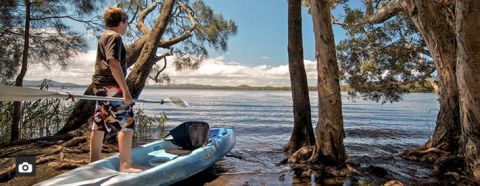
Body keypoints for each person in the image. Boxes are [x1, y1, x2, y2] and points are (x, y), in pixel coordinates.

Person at [89, 6, 143, 173]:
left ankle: (94, 162)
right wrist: (125, 91)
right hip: (111, 87)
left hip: (99, 86)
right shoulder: (114, 37)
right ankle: (125, 165)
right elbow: (113, 63)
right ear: (121, 22)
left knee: (99, 123)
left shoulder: (104, 36)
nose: (127, 26)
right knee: (126, 122)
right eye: (126, 22)